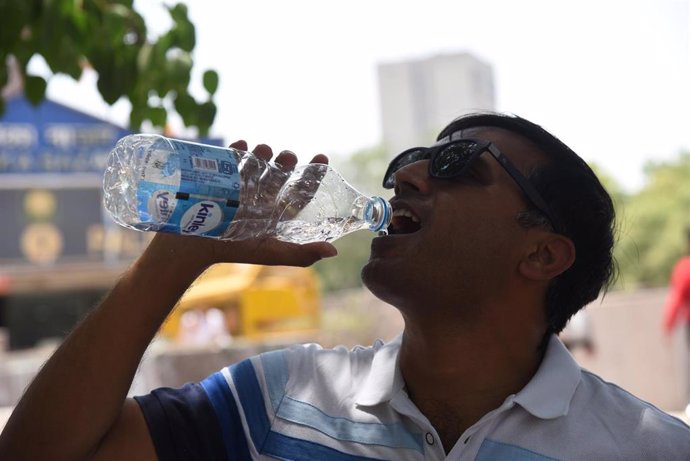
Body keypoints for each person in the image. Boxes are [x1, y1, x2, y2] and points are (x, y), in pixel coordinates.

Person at [1, 113, 689, 460]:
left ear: (542, 252)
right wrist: (174, 262)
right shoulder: (277, 400)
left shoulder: (647, 447)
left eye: (456, 164)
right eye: (410, 161)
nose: (408, 178)